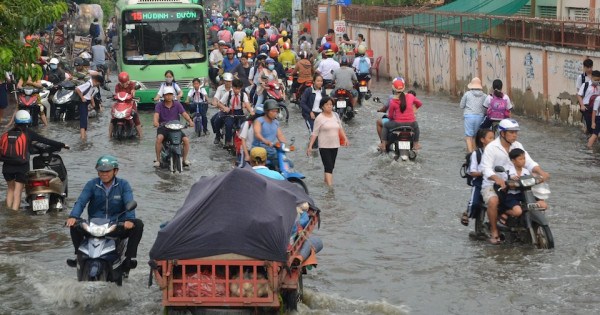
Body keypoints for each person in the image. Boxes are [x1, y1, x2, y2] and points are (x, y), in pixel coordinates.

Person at [65, 155, 143, 273]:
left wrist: (130, 220)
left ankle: (128, 259)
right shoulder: (91, 184)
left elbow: (129, 202)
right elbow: (81, 202)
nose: (104, 174)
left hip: (116, 226)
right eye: (101, 171)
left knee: (138, 224)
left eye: (107, 171)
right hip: (95, 225)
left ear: (115, 171)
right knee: (74, 225)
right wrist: (73, 216)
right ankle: (78, 256)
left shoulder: (123, 185)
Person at [480, 118, 549, 244]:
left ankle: (532, 225)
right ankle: (495, 231)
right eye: (511, 132)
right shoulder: (491, 148)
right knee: (493, 200)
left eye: (516, 132)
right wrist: (497, 179)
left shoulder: (518, 145)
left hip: (517, 183)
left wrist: (541, 172)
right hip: (493, 183)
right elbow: (486, 169)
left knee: (539, 202)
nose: (515, 135)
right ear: (502, 133)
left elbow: (528, 161)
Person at [1, 110, 68, 210]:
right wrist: (62, 145)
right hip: (21, 166)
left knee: (10, 189)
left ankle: (8, 212)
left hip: (7, 166)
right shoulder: (28, 133)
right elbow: (46, 141)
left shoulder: (7, 134)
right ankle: (14, 215)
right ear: (28, 122)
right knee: (17, 192)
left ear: (15, 121)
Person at [307, 96, 349, 186]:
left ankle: (326, 183)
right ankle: (330, 189)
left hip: (335, 144)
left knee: (330, 167)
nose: (329, 106)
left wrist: (345, 138)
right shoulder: (319, 118)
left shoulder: (336, 115)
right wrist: (310, 146)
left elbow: (340, 128)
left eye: (331, 104)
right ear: (322, 106)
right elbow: (315, 133)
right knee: (329, 166)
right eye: (327, 105)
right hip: (324, 146)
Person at [153, 86, 194, 167]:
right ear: (163, 96)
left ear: (173, 95)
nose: (169, 96)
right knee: (159, 138)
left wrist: (190, 121)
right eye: (167, 95)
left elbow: (184, 114)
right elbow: (156, 115)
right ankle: (158, 160)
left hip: (176, 129)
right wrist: (155, 122)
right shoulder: (159, 105)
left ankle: (185, 159)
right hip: (163, 128)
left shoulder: (177, 104)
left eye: (170, 94)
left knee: (186, 140)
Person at [461, 129, 494, 226]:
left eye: (494, 138)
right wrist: (482, 173)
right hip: (479, 181)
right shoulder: (477, 154)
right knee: (474, 203)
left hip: (493, 181)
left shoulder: (496, 153)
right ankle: (467, 212)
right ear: (482, 140)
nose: (493, 140)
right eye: (490, 138)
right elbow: (472, 171)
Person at [380, 78, 423, 151]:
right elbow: (420, 103)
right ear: (404, 88)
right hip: (411, 124)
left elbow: (390, 116)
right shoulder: (411, 96)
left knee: (385, 126)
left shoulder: (393, 100)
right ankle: (416, 144)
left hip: (397, 124)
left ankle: (383, 145)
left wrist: (394, 117)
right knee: (416, 126)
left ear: (394, 89)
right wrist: (414, 108)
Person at [216, 79, 253, 150]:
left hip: (240, 112)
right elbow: (219, 103)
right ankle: (228, 141)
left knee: (246, 125)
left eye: (239, 89)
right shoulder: (228, 94)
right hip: (230, 112)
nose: (237, 90)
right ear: (232, 87)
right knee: (228, 125)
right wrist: (224, 108)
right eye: (235, 88)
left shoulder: (243, 94)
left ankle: (245, 140)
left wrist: (251, 112)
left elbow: (247, 104)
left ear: (241, 88)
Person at [253, 100, 287, 167]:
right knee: (276, 159)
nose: (275, 113)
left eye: (276, 111)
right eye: (272, 111)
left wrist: (286, 145)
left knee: (289, 163)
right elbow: (257, 134)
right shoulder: (259, 121)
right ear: (266, 111)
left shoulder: (276, 123)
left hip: (271, 148)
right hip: (259, 148)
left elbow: (280, 136)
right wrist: (265, 141)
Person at [111, 72, 143, 138]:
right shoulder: (117, 86)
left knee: (135, 117)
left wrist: (133, 92)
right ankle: (109, 136)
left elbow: (133, 91)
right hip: (120, 104)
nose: (123, 85)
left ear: (128, 81)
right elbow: (117, 95)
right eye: (122, 83)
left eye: (125, 83)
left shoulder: (131, 84)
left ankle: (141, 135)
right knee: (113, 118)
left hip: (130, 103)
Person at [459, 77, 487, 152]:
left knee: (469, 137)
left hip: (469, 117)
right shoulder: (484, 96)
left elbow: (461, 106)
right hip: (480, 117)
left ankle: (470, 154)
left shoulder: (467, 94)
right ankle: (475, 153)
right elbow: (486, 107)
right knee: (474, 136)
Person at [75, 74, 103, 139]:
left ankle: (84, 135)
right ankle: (82, 138)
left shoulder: (93, 86)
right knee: (83, 120)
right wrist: (82, 98)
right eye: (98, 84)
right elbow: (77, 89)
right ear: (95, 81)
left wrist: (93, 104)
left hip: (86, 103)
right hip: (82, 103)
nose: (97, 85)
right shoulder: (88, 84)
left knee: (85, 119)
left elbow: (90, 95)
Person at [300, 74, 326, 141]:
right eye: (318, 81)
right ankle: (312, 148)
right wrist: (310, 112)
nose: (320, 83)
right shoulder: (308, 91)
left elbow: (325, 102)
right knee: (313, 132)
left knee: (322, 133)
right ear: (314, 81)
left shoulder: (323, 90)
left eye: (321, 81)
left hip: (320, 114)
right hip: (310, 115)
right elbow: (302, 103)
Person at [211, 73, 234, 144]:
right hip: (222, 110)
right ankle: (217, 135)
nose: (228, 83)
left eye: (230, 81)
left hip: (233, 110)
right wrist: (214, 101)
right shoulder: (220, 88)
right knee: (214, 120)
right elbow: (216, 97)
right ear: (224, 81)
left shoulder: (234, 88)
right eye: (226, 81)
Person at [577, 70, 600, 135]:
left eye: (598, 80)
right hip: (587, 108)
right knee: (589, 124)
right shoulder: (586, 85)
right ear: (591, 78)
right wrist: (582, 105)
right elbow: (579, 95)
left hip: (596, 108)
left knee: (596, 125)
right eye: (596, 80)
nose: (597, 81)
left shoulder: (599, 85)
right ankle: (589, 137)